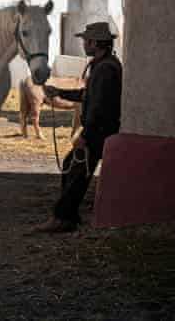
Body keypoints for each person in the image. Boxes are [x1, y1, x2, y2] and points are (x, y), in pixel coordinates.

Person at [34, 21, 122, 233]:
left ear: (95, 43)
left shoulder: (105, 69)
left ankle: (63, 218)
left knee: (76, 171)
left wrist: (86, 135)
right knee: (72, 167)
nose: (84, 44)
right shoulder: (103, 65)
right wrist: (60, 92)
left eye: (86, 41)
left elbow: (99, 107)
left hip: (99, 132)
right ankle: (68, 216)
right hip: (100, 130)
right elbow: (88, 96)